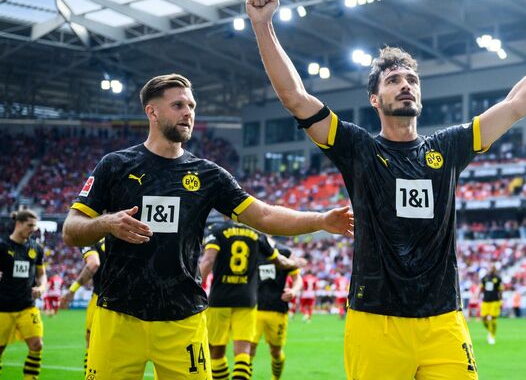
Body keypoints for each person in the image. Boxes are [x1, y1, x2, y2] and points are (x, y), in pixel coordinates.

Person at [247, 0, 526, 378]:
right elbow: (295, 97)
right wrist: (263, 25)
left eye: (412, 79)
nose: (406, 84)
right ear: (375, 98)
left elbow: (515, 105)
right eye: (393, 80)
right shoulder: (357, 148)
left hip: (443, 320)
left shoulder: (449, 147)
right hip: (375, 321)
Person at [62, 73, 354, 380]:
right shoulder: (115, 165)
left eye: (191, 105)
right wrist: (107, 222)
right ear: (152, 111)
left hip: (183, 319)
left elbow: (265, 216)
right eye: (178, 105)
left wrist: (321, 220)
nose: (188, 112)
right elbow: (71, 229)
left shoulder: (207, 174)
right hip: (118, 316)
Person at [199, 219, 302, 380]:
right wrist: (295, 263)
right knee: (244, 353)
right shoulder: (256, 235)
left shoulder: (216, 230)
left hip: (221, 298)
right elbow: (280, 261)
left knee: (217, 352)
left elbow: (208, 261)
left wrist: (195, 287)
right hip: (247, 300)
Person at [0, 209, 47, 380]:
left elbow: (42, 274)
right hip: (3, 307)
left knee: (37, 344)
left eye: (35, 226)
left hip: (27, 306)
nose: (33, 229)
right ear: (18, 224)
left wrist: (41, 287)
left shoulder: (36, 249)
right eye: (30, 225)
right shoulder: (2, 246)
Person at [251, 241, 302, 380]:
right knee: (248, 349)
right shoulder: (253, 249)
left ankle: (276, 378)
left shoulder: (284, 252)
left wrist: (293, 290)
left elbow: (298, 279)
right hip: (254, 309)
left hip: (277, 309)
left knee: (276, 351)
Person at [60, 240, 105, 376]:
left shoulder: (90, 238)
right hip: (128, 300)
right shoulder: (124, 232)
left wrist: (72, 290)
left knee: (91, 344)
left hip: (102, 300)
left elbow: (93, 263)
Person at [480, 266, 503, 345]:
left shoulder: (498, 279)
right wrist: (477, 295)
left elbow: (500, 290)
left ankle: (492, 336)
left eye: (493, 268)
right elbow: (481, 288)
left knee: (493, 318)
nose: (491, 269)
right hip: (485, 301)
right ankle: (490, 332)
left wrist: (501, 300)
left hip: (495, 301)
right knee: (483, 319)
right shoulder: (484, 278)